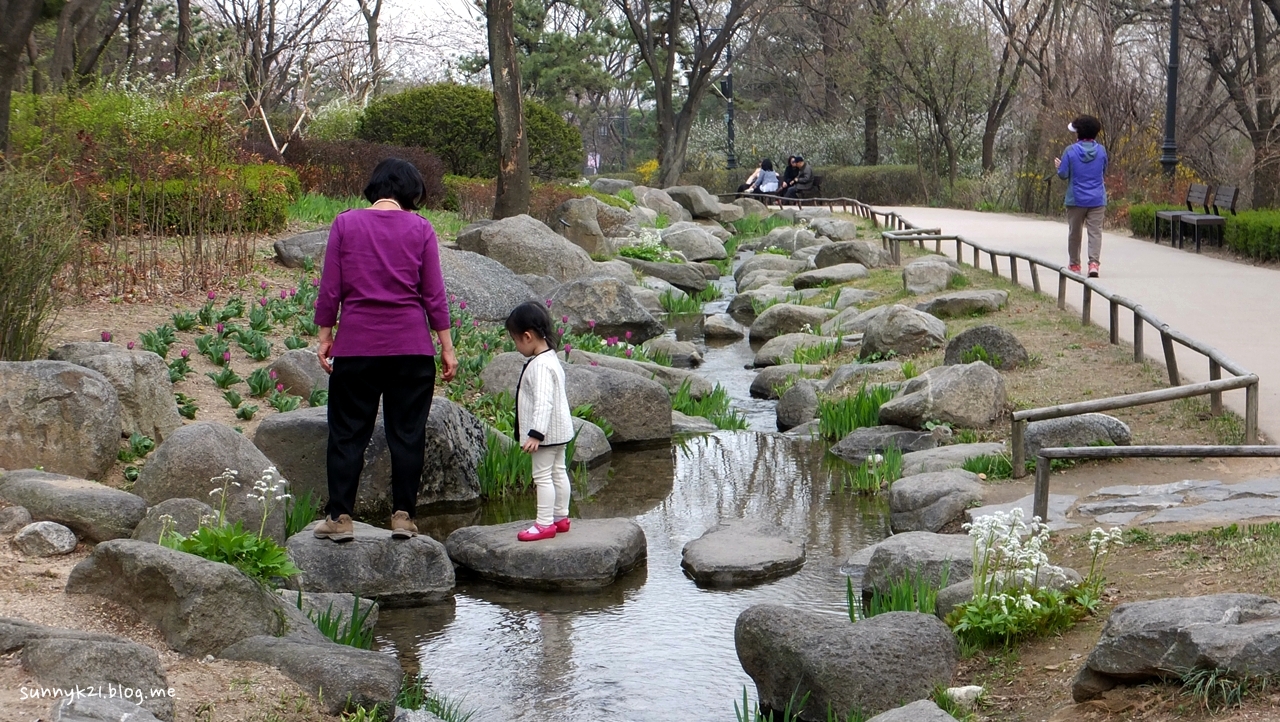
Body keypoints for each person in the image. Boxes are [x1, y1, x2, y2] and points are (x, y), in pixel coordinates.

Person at [311, 158, 458, 543]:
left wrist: (326, 334)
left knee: (347, 433)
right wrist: (446, 346)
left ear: (375, 188)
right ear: (411, 193)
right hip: (411, 348)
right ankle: (404, 517)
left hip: (357, 346)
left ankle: (341, 517)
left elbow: (330, 288)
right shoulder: (421, 229)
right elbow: (433, 294)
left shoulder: (345, 223)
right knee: (407, 434)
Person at [506, 301, 575, 542]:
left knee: (542, 476)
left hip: (545, 435)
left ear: (527, 336)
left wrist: (535, 434)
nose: (516, 347)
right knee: (559, 471)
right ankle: (561, 517)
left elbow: (543, 402)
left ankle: (544, 524)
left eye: (515, 340)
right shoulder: (552, 358)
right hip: (560, 431)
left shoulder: (540, 366)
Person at [1055, 115, 1109, 278]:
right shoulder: (1101, 151)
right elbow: (1103, 171)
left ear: (1078, 132)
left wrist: (1059, 166)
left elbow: (1064, 174)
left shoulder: (1070, 151)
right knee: (1095, 232)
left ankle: (1075, 264)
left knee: (1075, 232)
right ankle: (1093, 264)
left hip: (1075, 199)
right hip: (1097, 198)